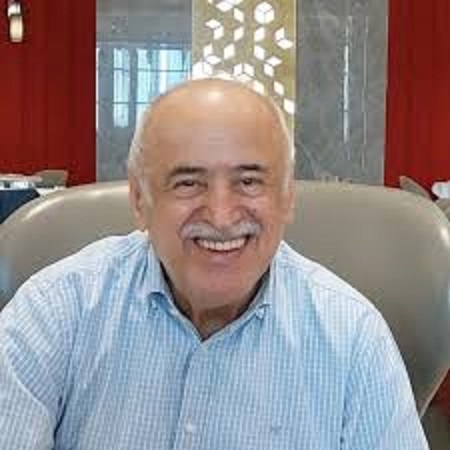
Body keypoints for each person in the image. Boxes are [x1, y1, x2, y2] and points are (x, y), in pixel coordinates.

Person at [0, 78, 428, 449]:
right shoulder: (53, 312)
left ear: (286, 198)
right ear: (139, 200)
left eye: (249, 181)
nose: (221, 217)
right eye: (188, 182)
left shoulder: (354, 339)